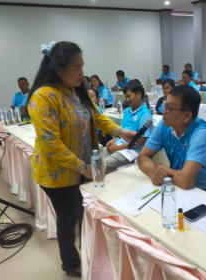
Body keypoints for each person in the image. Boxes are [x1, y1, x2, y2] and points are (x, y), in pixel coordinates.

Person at [27, 41, 136, 278]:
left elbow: (97, 116)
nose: (82, 73)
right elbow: (51, 144)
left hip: (83, 166)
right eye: (77, 68)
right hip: (56, 172)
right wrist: (83, 168)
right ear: (59, 69)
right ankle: (70, 262)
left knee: (80, 212)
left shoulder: (78, 89)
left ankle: (88, 252)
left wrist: (120, 131)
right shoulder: (43, 97)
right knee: (68, 217)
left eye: (82, 66)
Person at [138, 85, 206, 195]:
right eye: (165, 105)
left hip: (205, 192)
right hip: (176, 185)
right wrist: (154, 173)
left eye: (170, 108)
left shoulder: (201, 133)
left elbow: (186, 181)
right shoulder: (165, 124)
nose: (164, 111)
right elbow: (143, 156)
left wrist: (164, 169)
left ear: (187, 116)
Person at [104, 80, 153, 173]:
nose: (127, 99)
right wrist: (113, 140)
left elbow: (142, 140)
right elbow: (121, 130)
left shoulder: (145, 114)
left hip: (130, 151)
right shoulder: (127, 111)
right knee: (95, 159)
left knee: (101, 165)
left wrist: (117, 148)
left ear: (139, 94)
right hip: (118, 145)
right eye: (126, 97)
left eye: (129, 96)